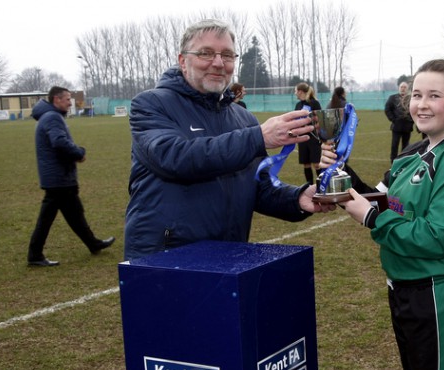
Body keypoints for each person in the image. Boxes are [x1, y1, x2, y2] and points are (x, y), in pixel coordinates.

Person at [321, 59, 444, 370]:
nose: (421, 105)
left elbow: (436, 237)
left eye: (434, 96)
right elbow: (384, 201)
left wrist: (371, 218)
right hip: (404, 289)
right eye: (416, 95)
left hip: (438, 295)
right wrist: (339, 174)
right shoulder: (413, 152)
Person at [123, 19, 334, 260]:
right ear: (183, 61)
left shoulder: (243, 118)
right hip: (165, 256)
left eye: (227, 55)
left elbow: (258, 186)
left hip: (228, 254)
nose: (218, 63)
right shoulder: (151, 104)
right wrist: (259, 137)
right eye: (206, 53)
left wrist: (296, 198)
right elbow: (175, 157)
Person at [28, 86, 115, 267]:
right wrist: (79, 153)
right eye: (67, 99)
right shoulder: (52, 117)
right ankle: (35, 255)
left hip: (58, 177)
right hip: (59, 178)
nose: (70, 103)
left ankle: (93, 244)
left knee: (75, 214)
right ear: (56, 100)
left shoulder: (49, 116)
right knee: (48, 219)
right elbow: (59, 142)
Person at [294, 82, 322, 184]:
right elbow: (295, 120)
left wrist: (312, 127)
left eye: (296, 91)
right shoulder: (298, 105)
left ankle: (321, 187)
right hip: (302, 137)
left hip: (313, 138)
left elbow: (320, 120)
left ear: (300, 91)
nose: (295, 93)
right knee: (306, 164)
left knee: (316, 163)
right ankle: (309, 186)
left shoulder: (314, 103)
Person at [385, 81, 414, 162]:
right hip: (396, 126)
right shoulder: (392, 98)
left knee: (406, 145)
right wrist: (393, 119)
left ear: (407, 89)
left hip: (407, 126)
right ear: (399, 88)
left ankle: (403, 160)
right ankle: (393, 160)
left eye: (405, 87)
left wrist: (411, 121)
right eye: (401, 87)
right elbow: (387, 109)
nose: (403, 89)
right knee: (394, 145)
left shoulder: (411, 99)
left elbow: (414, 111)